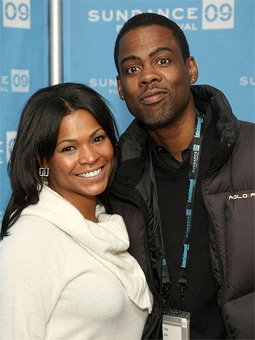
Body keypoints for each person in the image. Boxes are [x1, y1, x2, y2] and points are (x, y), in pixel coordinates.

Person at [109, 13, 255, 340]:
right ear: (121, 88)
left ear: (190, 68)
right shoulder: (114, 177)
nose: (147, 76)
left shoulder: (251, 151)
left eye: (162, 60)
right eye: (132, 69)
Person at [0, 82, 153, 340]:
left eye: (97, 139)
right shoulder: (31, 240)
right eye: (69, 148)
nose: (90, 157)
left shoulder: (111, 225)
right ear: (43, 160)